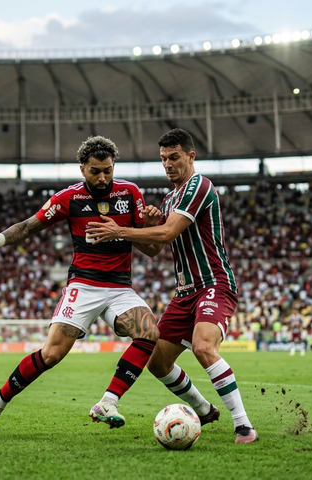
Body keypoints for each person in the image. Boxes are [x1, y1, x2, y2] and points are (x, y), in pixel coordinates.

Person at [0, 136, 160, 438]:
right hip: (83, 285)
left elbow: (152, 250)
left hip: (120, 287)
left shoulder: (130, 193)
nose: (103, 177)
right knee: (52, 354)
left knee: (150, 334)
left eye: (108, 170)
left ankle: (108, 402)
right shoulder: (68, 198)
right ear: (82, 169)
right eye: (96, 171)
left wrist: (147, 228)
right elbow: (28, 226)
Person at [87, 128, 258, 444]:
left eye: (174, 157)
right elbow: (156, 246)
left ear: (191, 156)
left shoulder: (200, 186)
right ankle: (203, 410)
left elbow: (167, 234)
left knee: (204, 346)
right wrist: (149, 224)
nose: (168, 164)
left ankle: (244, 426)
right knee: (158, 362)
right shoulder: (169, 199)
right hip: (185, 292)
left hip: (213, 283)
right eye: (164, 158)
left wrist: (120, 231)